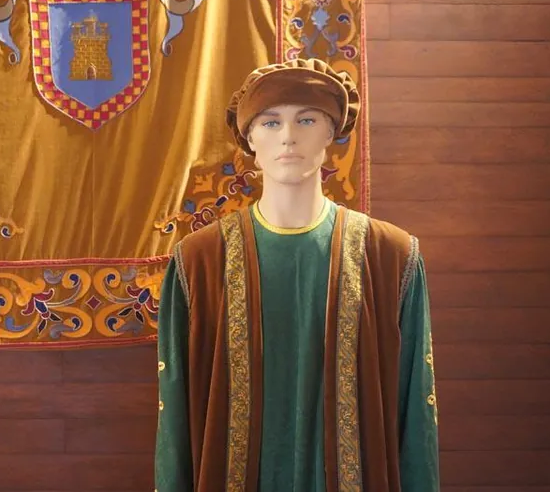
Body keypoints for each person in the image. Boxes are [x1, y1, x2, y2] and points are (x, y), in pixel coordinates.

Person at [154, 58, 440, 492]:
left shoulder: (391, 256)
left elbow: (416, 409)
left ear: (331, 133)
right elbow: (175, 414)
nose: (288, 135)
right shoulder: (199, 261)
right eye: (270, 122)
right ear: (249, 138)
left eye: (306, 119)